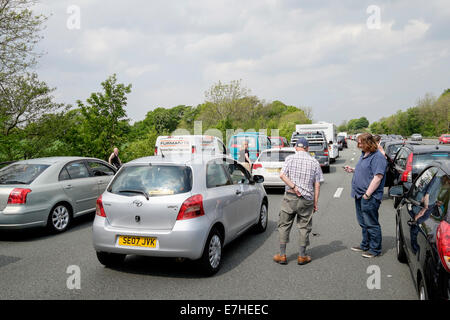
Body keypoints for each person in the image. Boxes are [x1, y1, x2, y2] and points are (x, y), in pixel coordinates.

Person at [273, 137, 324, 265]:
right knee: (304, 227)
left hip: (290, 197)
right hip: (307, 199)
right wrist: (315, 203)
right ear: (307, 148)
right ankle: (302, 256)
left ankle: (282, 255)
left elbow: (282, 175)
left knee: (284, 225)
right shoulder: (314, 162)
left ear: (296, 147)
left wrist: (294, 187)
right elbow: (317, 185)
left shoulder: (289, 159)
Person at [344, 133, 387, 258]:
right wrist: (352, 170)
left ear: (369, 143)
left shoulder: (378, 157)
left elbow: (378, 177)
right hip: (359, 194)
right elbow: (365, 170)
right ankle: (365, 244)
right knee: (363, 222)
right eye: (358, 142)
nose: (359, 145)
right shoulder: (365, 154)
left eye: (361, 143)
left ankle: (375, 249)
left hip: (369, 196)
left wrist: (367, 194)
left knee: (371, 223)